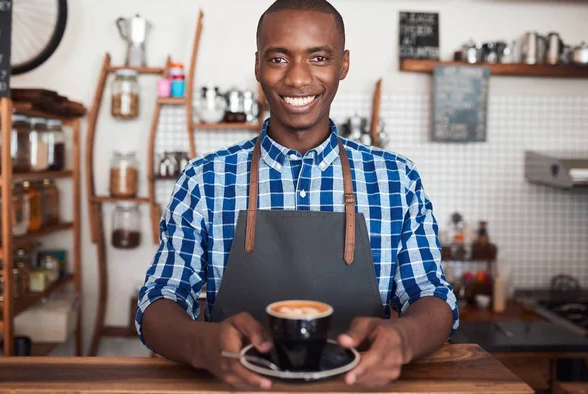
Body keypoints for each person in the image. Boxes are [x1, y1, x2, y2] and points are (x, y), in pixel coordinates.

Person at [137, 0, 458, 389]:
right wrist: (201, 344)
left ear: (343, 64)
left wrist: (404, 339)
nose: (298, 79)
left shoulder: (396, 179)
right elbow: (159, 299)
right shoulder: (204, 180)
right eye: (278, 59)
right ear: (258, 66)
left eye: (319, 57)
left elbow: (433, 297)